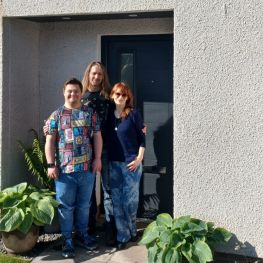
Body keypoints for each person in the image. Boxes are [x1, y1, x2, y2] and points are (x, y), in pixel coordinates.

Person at [45, 78, 102, 258]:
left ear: (81, 93)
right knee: (66, 207)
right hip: (64, 172)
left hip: (86, 168)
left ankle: (83, 235)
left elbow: (98, 137)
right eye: (69, 91)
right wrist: (50, 165)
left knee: (84, 206)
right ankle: (67, 240)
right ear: (64, 92)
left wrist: (98, 159)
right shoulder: (56, 115)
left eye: (76, 91)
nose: (73, 94)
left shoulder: (89, 113)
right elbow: (50, 141)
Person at [106, 82, 145, 250]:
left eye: (124, 95)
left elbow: (142, 139)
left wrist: (139, 159)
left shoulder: (134, 114)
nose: (120, 97)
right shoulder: (108, 116)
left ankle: (132, 229)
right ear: (112, 96)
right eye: (117, 94)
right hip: (114, 164)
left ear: (128, 97)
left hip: (132, 164)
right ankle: (123, 236)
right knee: (117, 201)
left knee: (130, 201)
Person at [81, 61, 116, 245]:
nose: (96, 77)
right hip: (86, 150)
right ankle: (89, 228)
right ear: (89, 74)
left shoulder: (108, 98)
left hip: (106, 148)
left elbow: (121, 114)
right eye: (94, 73)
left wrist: (137, 124)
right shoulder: (81, 98)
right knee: (88, 191)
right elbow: (67, 115)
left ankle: (110, 230)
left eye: (100, 74)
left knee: (108, 189)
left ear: (103, 77)